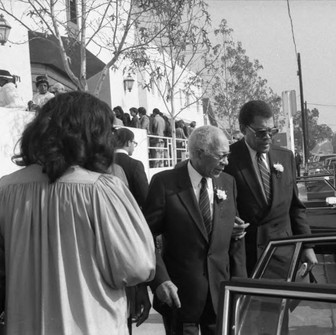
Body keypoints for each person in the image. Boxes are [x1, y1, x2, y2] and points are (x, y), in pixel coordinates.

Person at [0, 91, 155, 335]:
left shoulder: (3, 189)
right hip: (93, 325)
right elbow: (137, 266)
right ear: (93, 135)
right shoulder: (102, 189)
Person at [144, 125, 247, 335]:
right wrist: (160, 280)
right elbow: (145, 237)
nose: (227, 162)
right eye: (221, 156)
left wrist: (240, 285)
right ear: (200, 153)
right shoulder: (165, 183)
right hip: (179, 297)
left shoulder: (228, 182)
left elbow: (235, 239)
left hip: (220, 293)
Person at [224, 100, 318, 275]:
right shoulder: (228, 160)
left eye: (272, 131)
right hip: (245, 258)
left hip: (282, 254)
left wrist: (307, 246)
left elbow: (295, 207)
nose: (268, 137)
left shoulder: (285, 157)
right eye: (261, 132)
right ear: (244, 129)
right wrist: (228, 225)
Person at [114, 127, 149, 209]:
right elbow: (144, 196)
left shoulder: (103, 163)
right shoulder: (135, 165)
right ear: (128, 143)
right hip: (130, 212)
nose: (134, 146)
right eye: (134, 142)